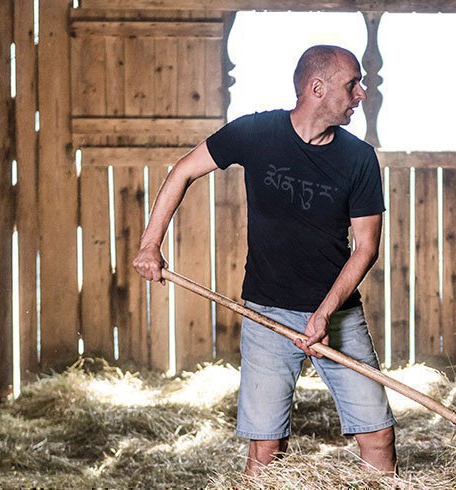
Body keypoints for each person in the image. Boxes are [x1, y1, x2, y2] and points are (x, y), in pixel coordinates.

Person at [132, 45, 396, 475]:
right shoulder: (256, 133)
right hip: (266, 313)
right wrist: (149, 244)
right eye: (353, 83)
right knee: (266, 450)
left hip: (338, 316)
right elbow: (181, 171)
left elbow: (366, 248)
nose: (361, 93)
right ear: (317, 88)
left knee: (378, 435)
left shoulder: (359, 159)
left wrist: (325, 314)